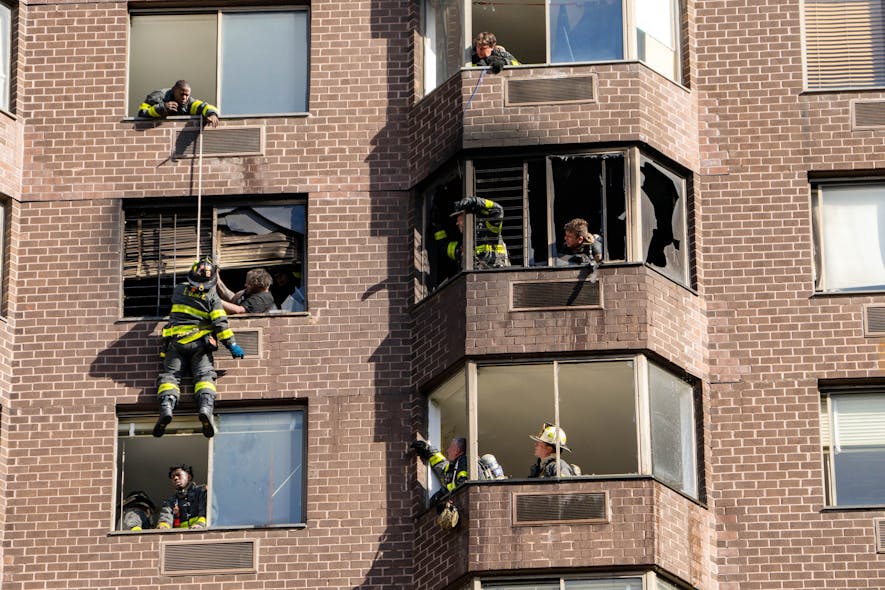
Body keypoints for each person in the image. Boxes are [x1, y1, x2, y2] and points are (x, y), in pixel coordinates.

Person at [154, 256, 245, 439]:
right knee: (204, 376)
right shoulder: (213, 298)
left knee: (171, 376)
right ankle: (205, 407)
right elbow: (221, 325)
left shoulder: (179, 290)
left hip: (176, 343)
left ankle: (167, 406)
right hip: (200, 345)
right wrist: (232, 345)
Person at [438, 196, 510, 269]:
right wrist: (437, 226)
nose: (457, 223)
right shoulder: (463, 245)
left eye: (459, 219)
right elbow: (444, 247)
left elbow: (498, 210)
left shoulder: (489, 231)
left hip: (497, 276)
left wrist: (475, 201)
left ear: (468, 217)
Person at [138, 79, 220, 128]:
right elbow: (141, 112)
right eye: (181, 94)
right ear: (174, 90)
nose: (184, 97)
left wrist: (212, 114)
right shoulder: (159, 96)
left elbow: (204, 106)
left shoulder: (189, 103)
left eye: (187, 95)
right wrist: (162, 108)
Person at [410, 437, 469, 503]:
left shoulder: (463, 462)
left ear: (457, 451)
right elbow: (440, 464)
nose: (448, 450)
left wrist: (443, 494)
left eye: (450, 447)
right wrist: (427, 449)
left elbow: (461, 485)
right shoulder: (453, 465)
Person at [157, 464, 208, 530]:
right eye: (173, 477)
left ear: (188, 477)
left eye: (178, 475)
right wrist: (163, 526)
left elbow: (208, 511)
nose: (175, 478)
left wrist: (201, 524)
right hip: (181, 538)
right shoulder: (171, 501)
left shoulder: (201, 491)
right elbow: (166, 515)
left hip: (200, 534)